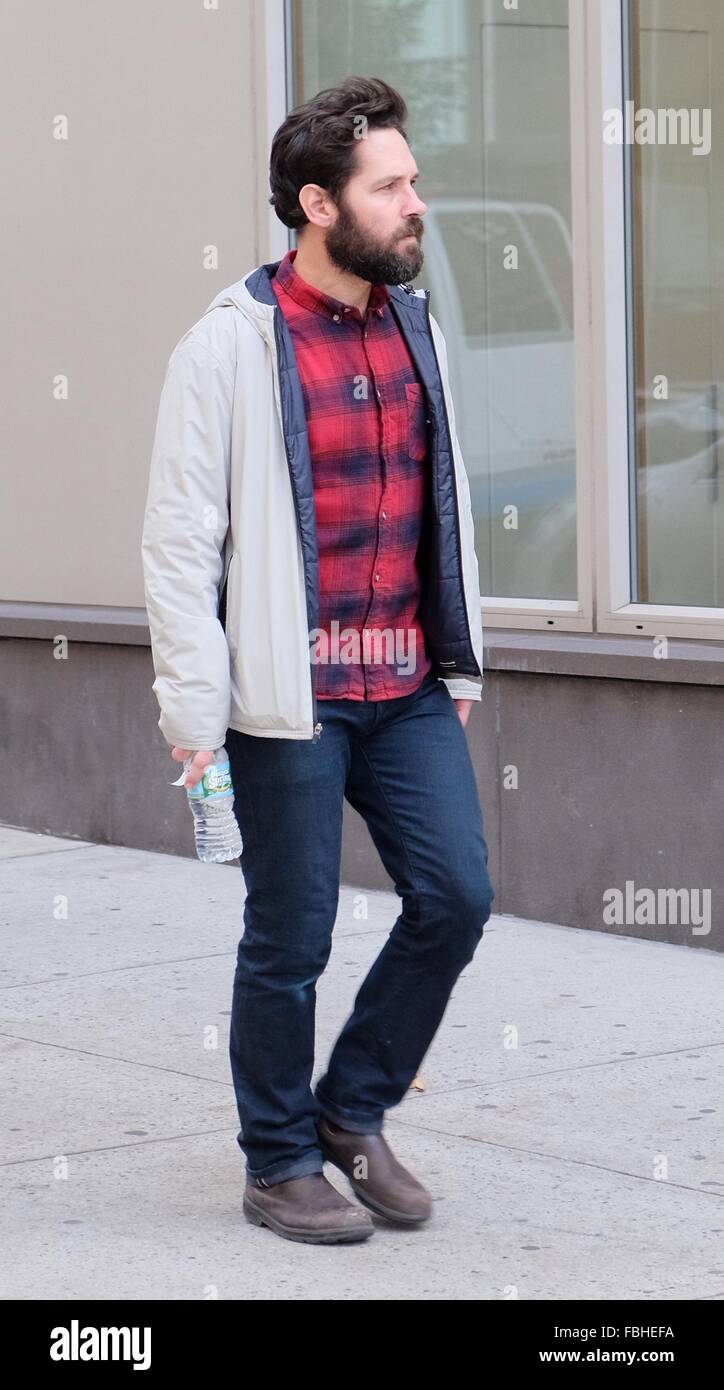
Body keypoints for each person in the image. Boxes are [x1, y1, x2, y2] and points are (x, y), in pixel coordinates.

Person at [141, 75, 495, 1246]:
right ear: (318, 205)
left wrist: (454, 655)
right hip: (288, 701)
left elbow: (439, 507)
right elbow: (181, 542)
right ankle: (279, 1158)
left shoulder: (416, 326)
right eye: (391, 186)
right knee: (288, 941)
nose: (416, 203)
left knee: (455, 896)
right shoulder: (227, 347)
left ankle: (351, 1110)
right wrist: (195, 714)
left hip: (400, 687)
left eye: (412, 181)